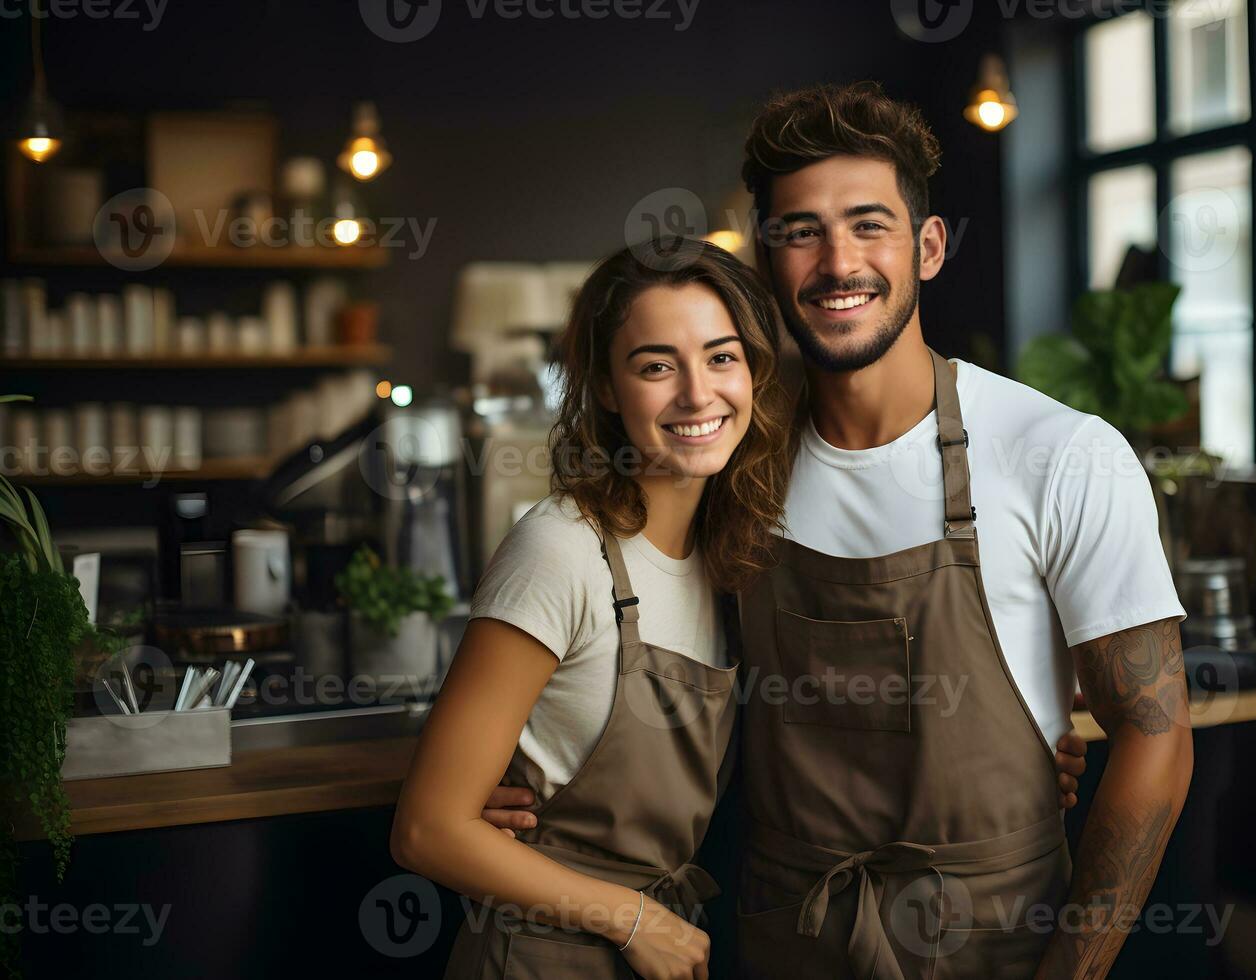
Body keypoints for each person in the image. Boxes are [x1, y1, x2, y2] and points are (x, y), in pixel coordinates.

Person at [728, 82, 1194, 980]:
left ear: (928, 247)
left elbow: (1156, 737)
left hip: (993, 945)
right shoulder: (735, 468)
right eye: (801, 231)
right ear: (766, 256)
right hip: (789, 936)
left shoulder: (1060, 452)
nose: (837, 263)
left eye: (870, 225)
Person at [391, 240, 792, 980]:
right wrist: (633, 917)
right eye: (656, 365)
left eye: (721, 357)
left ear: (755, 372)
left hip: (659, 950)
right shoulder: (559, 551)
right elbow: (427, 829)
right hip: (541, 959)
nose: (698, 394)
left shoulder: (731, 561)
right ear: (607, 388)